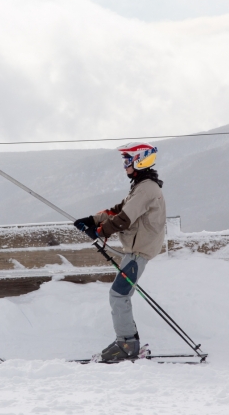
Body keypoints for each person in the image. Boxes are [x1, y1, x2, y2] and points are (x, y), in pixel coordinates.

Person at [74, 142, 166, 361]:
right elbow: (117, 211)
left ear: (140, 161)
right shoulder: (141, 186)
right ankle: (128, 341)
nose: (124, 166)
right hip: (135, 250)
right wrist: (92, 220)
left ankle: (126, 344)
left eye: (127, 161)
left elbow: (124, 220)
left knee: (118, 296)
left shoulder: (146, 189)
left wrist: (99, 231)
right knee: (120, 295)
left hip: (138, 251)